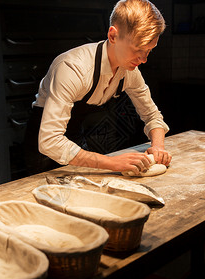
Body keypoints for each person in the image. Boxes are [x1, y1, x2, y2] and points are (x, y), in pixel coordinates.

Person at [24, 0, 171, 176]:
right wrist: (112, 162)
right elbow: (49, 141)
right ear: (113, 36)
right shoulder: (73, 68)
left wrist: (157, 147)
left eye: (149, 50)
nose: (144, 59)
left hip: (74, 138)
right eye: (138, 49)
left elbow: (152, 115)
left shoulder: (129, 71)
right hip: (42, 145)